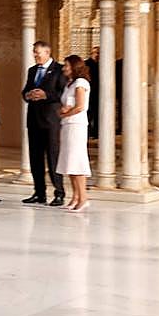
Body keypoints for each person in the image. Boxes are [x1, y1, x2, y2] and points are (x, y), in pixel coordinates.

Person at [22, 40, 66, 206]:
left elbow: (62, 94)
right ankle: (39, 192)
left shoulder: (59, 70)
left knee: (53, 158)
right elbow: (25, 90)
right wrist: (28, 95)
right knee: (35, 158)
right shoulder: (32, 71)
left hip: (51, 121)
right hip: (33, 120)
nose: (35, 55)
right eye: (34, 52)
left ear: (47, 53)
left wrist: (46, 95)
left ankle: (59, 192)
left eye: (37, 53)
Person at [58, 54, 92, 212]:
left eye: (66, 65)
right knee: (69, 162)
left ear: (74, 67)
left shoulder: (80, 82)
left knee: (77, 161)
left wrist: (65, 113)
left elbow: (80, 106)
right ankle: (75, 196)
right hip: (67, 125)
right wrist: (64, 113)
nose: (64, 68)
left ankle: (83, 197)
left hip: (76, 125)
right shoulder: (69, 84)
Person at [85, 46, 100, 140]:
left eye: (99, 53)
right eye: (95, 53)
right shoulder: (86, 64)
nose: (97, 55)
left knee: (98, 114)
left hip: (99, 93)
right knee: (88, 113)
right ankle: (88, 132)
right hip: (89, 92)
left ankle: (96, 132)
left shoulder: (103, 64)